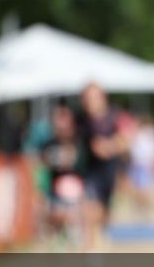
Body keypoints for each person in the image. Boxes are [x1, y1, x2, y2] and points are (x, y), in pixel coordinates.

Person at [77, 82, 129, 249]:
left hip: (110, 172)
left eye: (93, 97)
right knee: (90, 210)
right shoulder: (81, 120)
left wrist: (109, 146)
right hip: (90, 173)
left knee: (105, 212)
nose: (90, 102)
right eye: (87, 98)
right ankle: (91, 252)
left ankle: (102, 233)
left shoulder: (114, 117)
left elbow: (125, 139)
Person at [38, 102, 85, 244]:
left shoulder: (79, 141)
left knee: (70, 219)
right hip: (54, 190)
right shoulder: (49, 143)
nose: (60, 123)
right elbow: (42, 165)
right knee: (54, 218)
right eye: (58, 118)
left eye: (63, 118)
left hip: (75, 190)